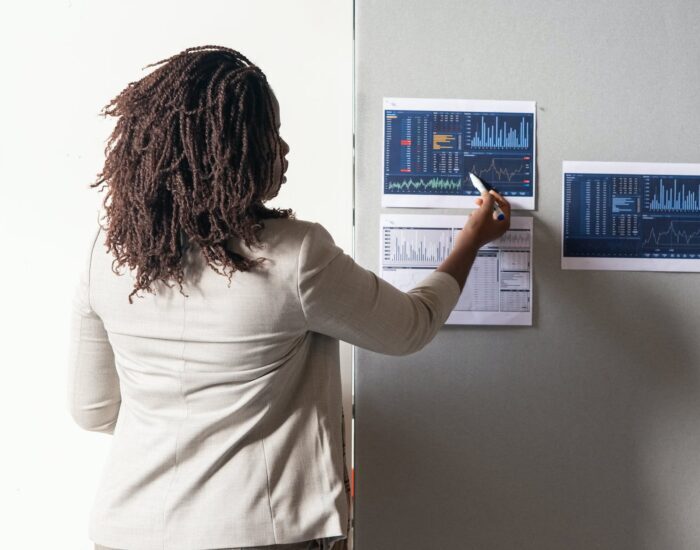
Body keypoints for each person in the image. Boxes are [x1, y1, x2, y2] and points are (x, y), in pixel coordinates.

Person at [66, 45, 510, 550]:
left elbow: (93, 411)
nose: (284, 149)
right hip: (257, 533)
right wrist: (470, 241)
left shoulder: (106, 257)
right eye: (268, 135)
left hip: (126, 532)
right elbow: (411, 327)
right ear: (229, 152)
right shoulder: (295, 254)